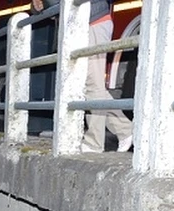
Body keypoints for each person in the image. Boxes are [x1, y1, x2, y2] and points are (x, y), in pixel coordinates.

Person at [30, 0, 132, 153]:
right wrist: (36, 6)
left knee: (92, 85)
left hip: (93, 22)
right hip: (83, 25)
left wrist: (45, 2)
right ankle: (125, 130)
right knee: (89, 85)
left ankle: (95, 143)